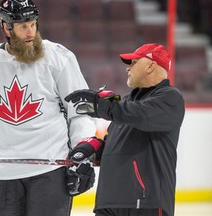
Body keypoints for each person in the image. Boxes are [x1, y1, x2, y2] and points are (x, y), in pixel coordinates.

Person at [0, 0, 100, 215]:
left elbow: (80, 112)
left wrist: (82, 153)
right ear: (6, 27)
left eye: (33, 24)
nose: (30, 32)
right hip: (2, 175)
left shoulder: (58, 57)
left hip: (50, 172)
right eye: (23, 26)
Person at [65, 43, 185, 216]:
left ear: (151, 65)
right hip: (108, 203)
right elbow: (117, 141)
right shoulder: (127, 104)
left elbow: (140, 116)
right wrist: (90, 150)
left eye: (134, 62)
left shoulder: (170, 98)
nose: (128, 68)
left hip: (146, 203)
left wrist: (102, 106)